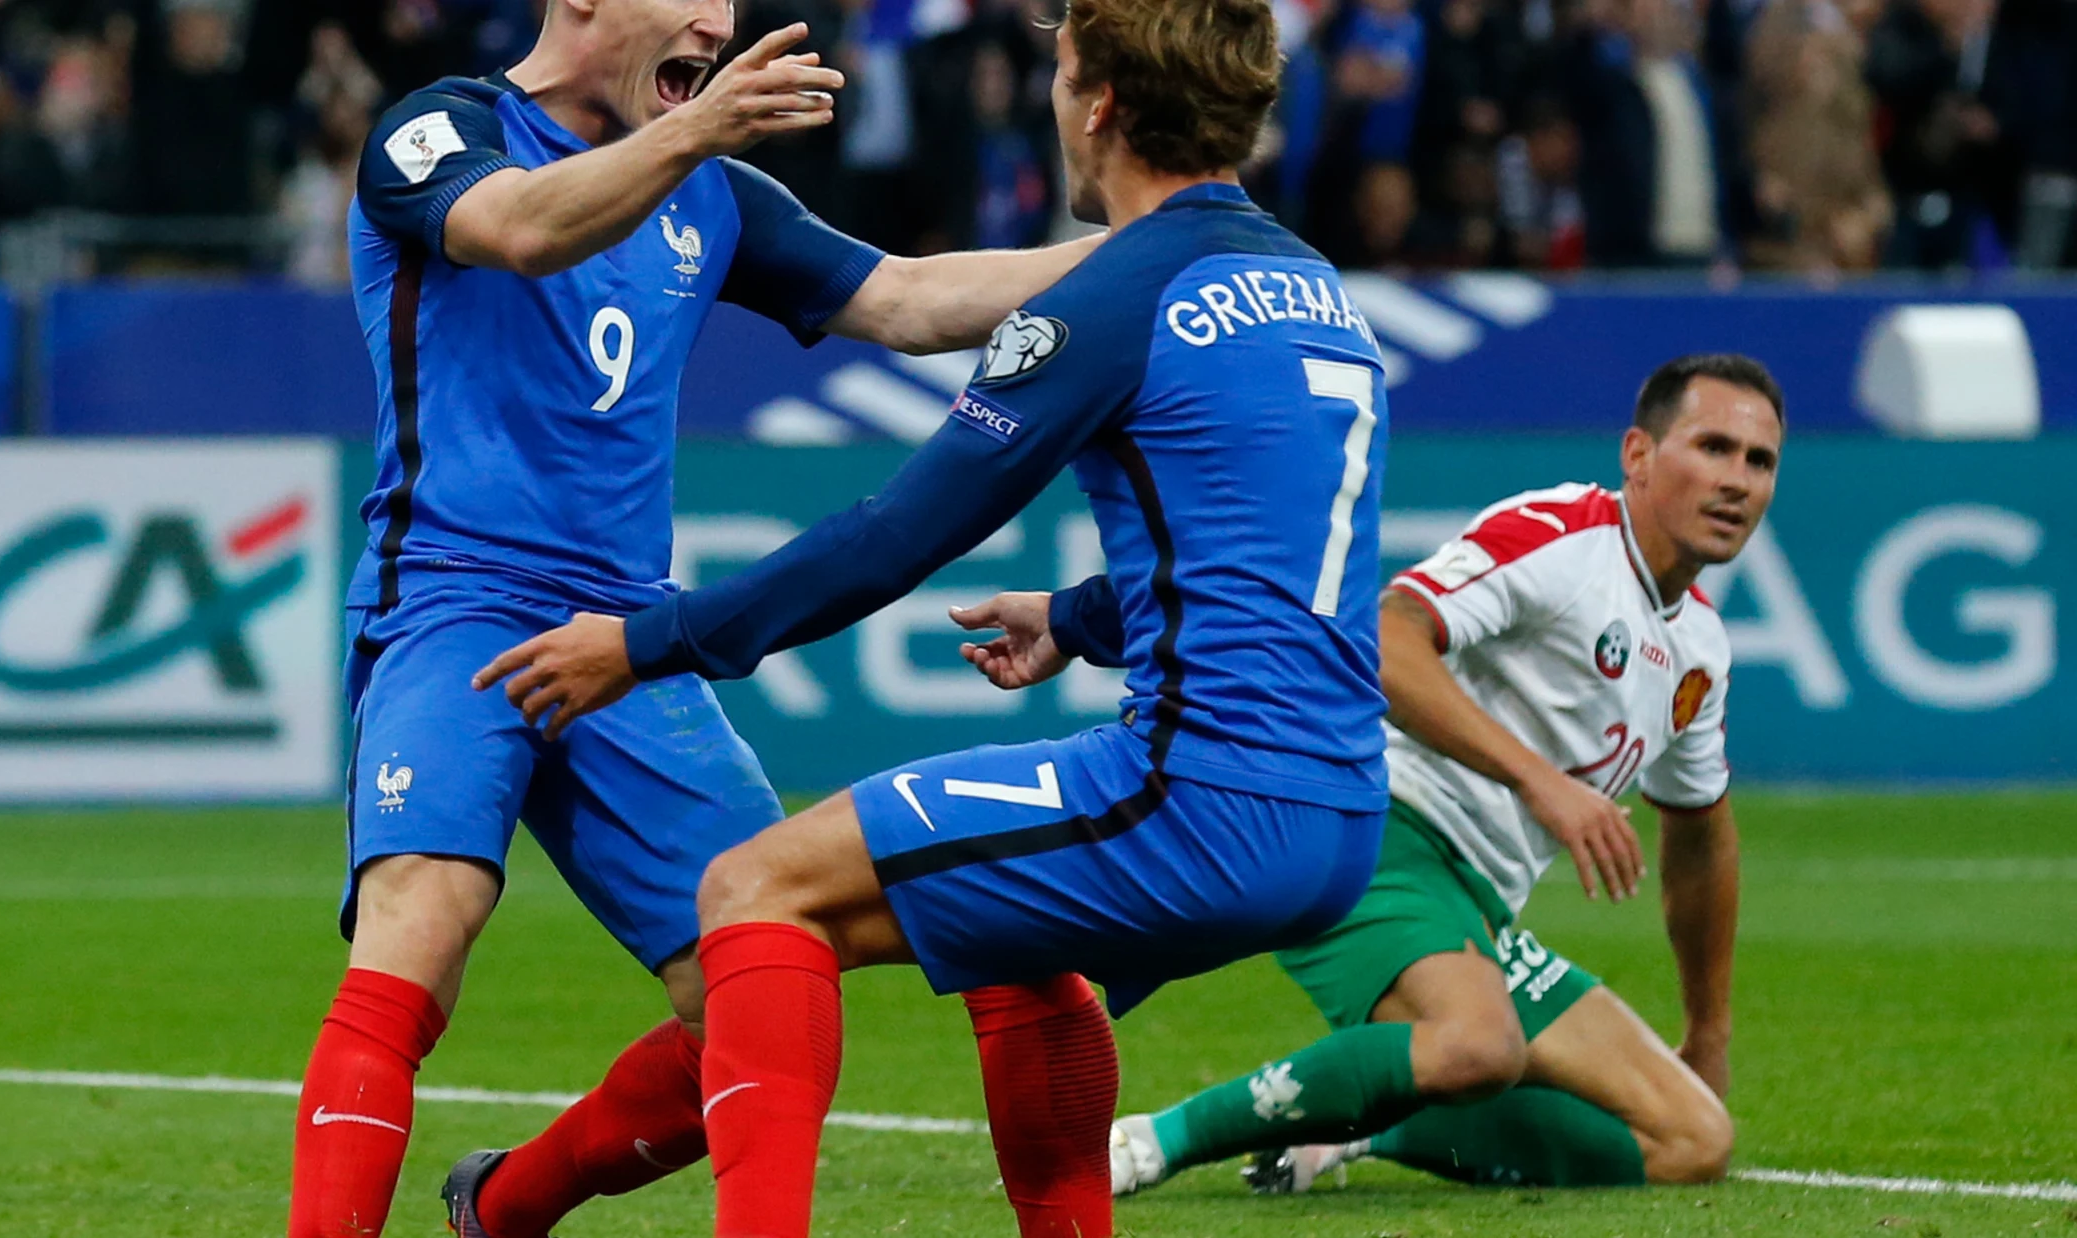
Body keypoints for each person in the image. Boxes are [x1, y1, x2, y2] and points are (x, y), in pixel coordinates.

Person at [469, 1, 1395, 1232]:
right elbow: (1266, 574)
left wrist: (643, 642)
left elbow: (896, 533)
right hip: (1339, 809)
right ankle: (506, 1203)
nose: (1053, 106)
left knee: (756, 887)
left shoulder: (1115, 294)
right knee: (1021, 951)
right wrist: (1075, 616)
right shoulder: (1307, 285)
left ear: (1101, 104)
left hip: (1198, 798)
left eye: (1062, 76)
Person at [291, 0, 1108, 1232]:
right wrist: (697, 135)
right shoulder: (437, 133)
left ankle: (508, 1202)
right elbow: (516, 229)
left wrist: (1149, 247)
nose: (718, 24)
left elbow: (909, 299)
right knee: (424, 915)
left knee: (759, 977)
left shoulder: (711, 190)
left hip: (627, 638)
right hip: (454, 605)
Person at [1108, 354, 1778, 1198]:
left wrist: (1708, 1036)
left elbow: (1700, 839)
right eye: (1713, 447)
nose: (1738, 481)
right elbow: (1385, 643)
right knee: (1477, 1044)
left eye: (1759, 462)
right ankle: (1148, 1142)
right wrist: (1541, 781)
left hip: (1479, 907)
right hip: (1366, 832)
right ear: (1638, 455)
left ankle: (1363, 1124)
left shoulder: (1701, 651)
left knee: (1691, 1138)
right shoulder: (1564, 540)